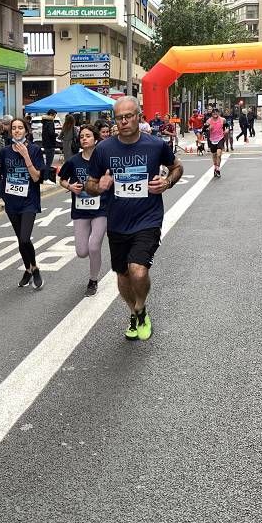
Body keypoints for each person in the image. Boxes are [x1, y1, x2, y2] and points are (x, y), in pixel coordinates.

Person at [86, 96, 183, 341]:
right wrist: (100, 186)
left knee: (138, 271)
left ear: (139, 117)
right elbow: (89, 183)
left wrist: (167, 182)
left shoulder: (155, 145)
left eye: (129, 116)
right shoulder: (104, 149)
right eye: (119, 117)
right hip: (117, 222)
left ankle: (140, 306)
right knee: (123, 275)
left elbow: (177, 167)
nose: (124, 121)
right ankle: (135, 313)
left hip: (148, 219)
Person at [0, 117, 46, 290]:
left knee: (24, 237)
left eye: (20, 128)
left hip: (29, 200)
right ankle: (28, 269)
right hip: (11, 201)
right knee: (20, 240)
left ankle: (35, 268)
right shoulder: (5, 152)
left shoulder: (35, 150)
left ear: (26, 131)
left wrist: (26, 156)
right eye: (14, 128)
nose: (16, 131)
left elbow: (37, 177)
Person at [59, 123, 108, 296]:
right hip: (80, 210)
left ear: (95, 139)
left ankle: (93, 280)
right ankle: (93, 270)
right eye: (82, 136)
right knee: (81, 252)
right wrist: (70, 187)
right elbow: (62, 180)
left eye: (88, 136)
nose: (84, 139)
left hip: (101, 209)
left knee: (94, 246)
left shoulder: (104, 159)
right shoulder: (73, 161)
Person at [203, 108, 229, 178]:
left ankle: (217, 169)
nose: (215, 113)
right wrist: (208, 128)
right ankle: (215, 167)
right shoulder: (209, 120)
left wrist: (227, 129)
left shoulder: (222, 119)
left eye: (216, 112)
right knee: (214, 155)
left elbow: (227, 126)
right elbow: (204, 129)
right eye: (213, 112)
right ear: (212, 113)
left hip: (220, 138)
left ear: (218, 113)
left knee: (219, 154)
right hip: (212, 139)